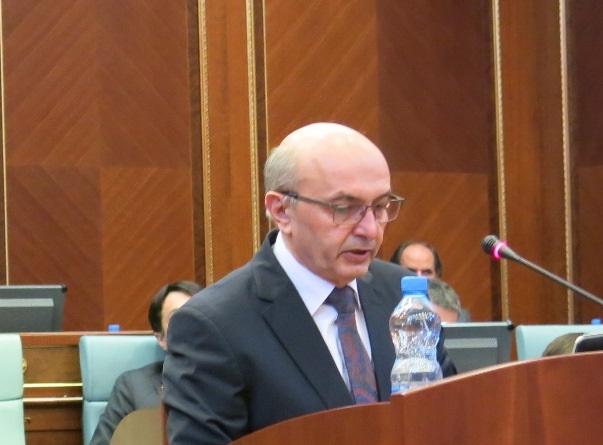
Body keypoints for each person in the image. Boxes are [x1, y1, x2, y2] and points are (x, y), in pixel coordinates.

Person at [162, 122, 457, 444]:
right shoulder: (215, 324)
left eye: (380, 207)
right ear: (281, 211)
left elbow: (451, 418)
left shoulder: (400, 293)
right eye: (344, 208)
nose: (371, 230)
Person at [89, 280, 202, 445]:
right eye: (178, 317)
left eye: (198, 315)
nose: (191, 325)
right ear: (161, 339)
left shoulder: (232, 381)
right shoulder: (133, 387)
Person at [390, 240, 471, 322]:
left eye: (426, 272)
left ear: (437, 276)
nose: (419, 278)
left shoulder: (454, 316)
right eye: (410, 272)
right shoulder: (385, 313)